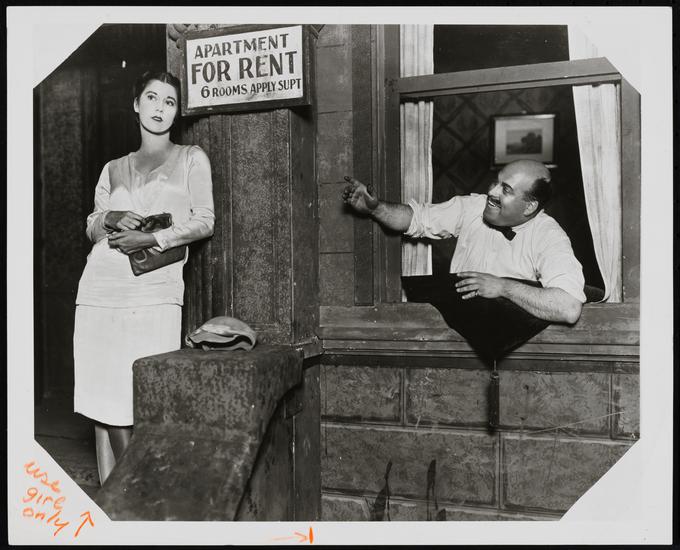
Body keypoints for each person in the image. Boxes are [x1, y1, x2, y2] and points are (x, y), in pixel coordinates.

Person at [73, 70, 215, 485]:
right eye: (152, 98)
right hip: (101, 289)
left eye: (169, 102)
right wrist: (111, 217)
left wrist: (150, 237)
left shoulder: (192, 158)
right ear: (136, 104)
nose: (159, 108)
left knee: (147, 398)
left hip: (155, 291)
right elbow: (92, 226)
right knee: (106, 397)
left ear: (177, 112)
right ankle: (125, 494)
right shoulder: (113, 168)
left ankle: (141, 492)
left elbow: (204, 221)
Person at [342, 160, 586, 326]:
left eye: (506, 190)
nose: (492, 192)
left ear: (530, 206)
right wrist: (375, 208)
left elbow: (569, 308)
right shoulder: (472, 206)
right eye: (496, 182)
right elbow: (416, 219)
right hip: (457, 332)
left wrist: (503, 287)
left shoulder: (550, 236)